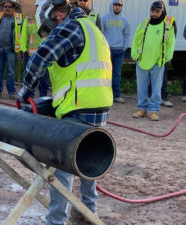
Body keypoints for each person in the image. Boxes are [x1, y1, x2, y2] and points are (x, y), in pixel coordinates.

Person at [18, 0, 113, 224]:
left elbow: (42, 56)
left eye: (51, 26)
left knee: (62, 166)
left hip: (78, 107)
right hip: (98, 105)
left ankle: (55, 220)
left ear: (57, 14)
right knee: (89, 160)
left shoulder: (70, 27)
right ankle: (88, 211)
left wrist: (26, 91)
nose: (52, 32)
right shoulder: (93, 29)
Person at [131, 1, 175, 121]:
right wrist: (134, 54)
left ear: (162, 12)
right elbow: (135, 39)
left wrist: (167, 57)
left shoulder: (167, 26)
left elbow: (171, 43)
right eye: (152, 11)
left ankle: (154, 110)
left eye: (157, 11)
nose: (154, 14)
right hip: (142, 61)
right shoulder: (144, 24)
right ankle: (142, 109)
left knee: (156, 88)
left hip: (157, 62)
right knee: (141, 87)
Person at [0, 0, 23, 100]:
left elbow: (22, 32)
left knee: (11, 72)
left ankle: (11, 92)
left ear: (13, 8)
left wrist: (20, 48)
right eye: (5, 6)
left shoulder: (19, 18)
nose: (7, 8)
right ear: (3, 7)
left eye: (9, 6)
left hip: (10, 49)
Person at [102, 0, 130, 103]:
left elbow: (127, 35)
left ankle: (116, 95)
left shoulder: (125, 20)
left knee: (117, 74)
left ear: (121, 6)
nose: (117, 7)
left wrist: (124, 48)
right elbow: (100, 33)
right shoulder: (104, 18)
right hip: (107, 51)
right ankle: (105, 95)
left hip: (119, 51)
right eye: (116, 5)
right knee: (105, 74)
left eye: (119, 5)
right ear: (112, 5)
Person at [20, 0, 49, 97]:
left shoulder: (48, 21)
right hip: (30, 55)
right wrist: (23, 50)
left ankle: (43, 98)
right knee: (30, 79)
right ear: (35, 7)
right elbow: (23, 35)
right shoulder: (28, 19)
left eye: (41, 6)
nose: (38, 8)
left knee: (44, 80)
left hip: (44, 56)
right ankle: (30, 99)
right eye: (37, 6)